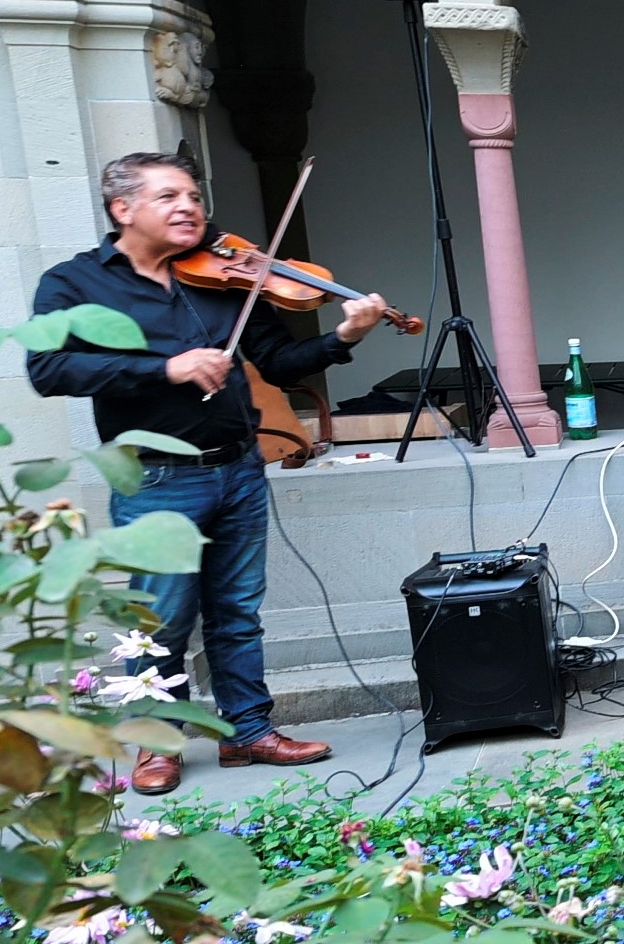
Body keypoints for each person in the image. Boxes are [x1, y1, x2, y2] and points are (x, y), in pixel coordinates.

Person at [26, 152, 390, 793]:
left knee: (237, 610)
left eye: (193, 195)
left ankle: (247, 733)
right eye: (168, 196)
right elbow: (48, 370)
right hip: (158, 478)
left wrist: (346, 337)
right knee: (159, 618)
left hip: (239, 469)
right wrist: (161, 369)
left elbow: (278, 360)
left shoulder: (223, 276)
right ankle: (157, 742)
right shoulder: (76, 283)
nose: (189, 207)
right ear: (123, 210)